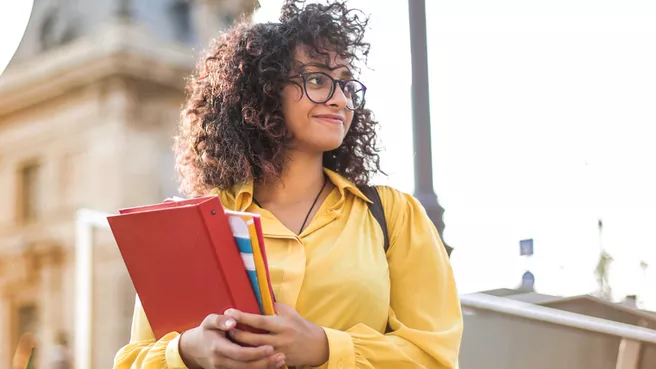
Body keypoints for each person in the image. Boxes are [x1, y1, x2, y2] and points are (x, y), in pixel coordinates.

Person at [113, 1, 462, 368]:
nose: (340, 99)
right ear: (265, 91)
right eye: (317, 79)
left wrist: (325, 348)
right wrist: (187, 351)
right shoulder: (195, 224)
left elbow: (434, 357)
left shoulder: (393, 216)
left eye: (346, 84)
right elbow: (133, 359)